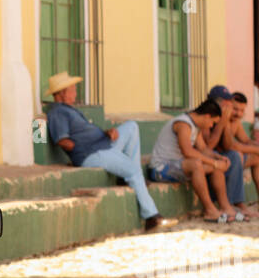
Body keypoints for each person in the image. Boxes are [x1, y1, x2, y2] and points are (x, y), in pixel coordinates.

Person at [43, 72, 173, 232]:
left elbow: (84, 133)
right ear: (62, 93)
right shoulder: (58, 112)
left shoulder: (69, 110)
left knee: (131, 127)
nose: (75, 93)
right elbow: (62, 140)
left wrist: (107, 132)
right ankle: (151, 216)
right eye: (73, 90)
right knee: (133, 169)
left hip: (102, 145)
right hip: (91, 154)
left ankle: (127, 177)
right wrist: (82, 149)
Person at [147, 99, 238, 223]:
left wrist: (218, 158)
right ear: (207, 116)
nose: (211, 126)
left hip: (179, 167)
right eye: (212, 122)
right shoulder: (183, 124)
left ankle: (225, 207)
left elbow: (203, 149)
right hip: (160, 169)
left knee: (216, 167)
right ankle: (210, 210)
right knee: (197, 164)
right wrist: (214, 162)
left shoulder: (196, 126)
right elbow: (188, 151)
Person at [204, 85, 250, 218]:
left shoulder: (224, 117)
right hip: (204, 157)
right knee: (234, 156)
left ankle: (237, 203)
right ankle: (228, 205)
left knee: (235, 156)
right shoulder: (205, 115)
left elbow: (229, 144)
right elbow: (208, 147)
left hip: (217, 156)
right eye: (226, 104)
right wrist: (223, 122)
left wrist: (225, 122)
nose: (228, 107)